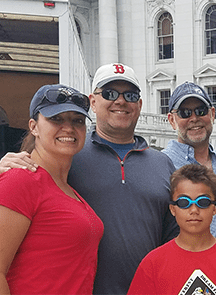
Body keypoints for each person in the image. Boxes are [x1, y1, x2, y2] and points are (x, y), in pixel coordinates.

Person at [0, 63, 179, 294]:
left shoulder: (161, 163)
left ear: (140, 104)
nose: (120, 101)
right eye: (110, 94)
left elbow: (175, 234)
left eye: (76, 121)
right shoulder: (27, 175)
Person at [0, 84, 104, 294]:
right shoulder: (21, 180)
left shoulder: (69, 189)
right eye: (56, 118)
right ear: (34, 126)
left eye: (77, 120)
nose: (68, 127)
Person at [128, 164, 216, 294]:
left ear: (214, 208)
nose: (194, 210)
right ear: (173, 209)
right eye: (184, 202)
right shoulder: (153, 264)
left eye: (203, 202)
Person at [162, 81, 216, 245]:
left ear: (212, 114)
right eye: (185, 112)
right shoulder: (161, 165)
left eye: (201, 111)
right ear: (172, 120)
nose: (194, 118)